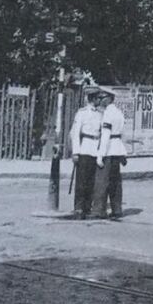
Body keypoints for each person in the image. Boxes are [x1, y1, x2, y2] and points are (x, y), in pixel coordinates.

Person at [92, 86, 127, 219]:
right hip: (117, 150)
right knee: (115, 182)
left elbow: (105, 136)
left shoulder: (108, 114)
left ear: (110, 99)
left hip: (108, 151)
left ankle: (98, 210)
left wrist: (100, 155)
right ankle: (117, 209)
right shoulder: (119, 112)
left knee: (102, 181)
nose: (101, 100)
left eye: (103, 98)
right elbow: (123, 133)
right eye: (100, 98)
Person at [69, 87, 102, 219]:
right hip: (84, 149)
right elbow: (75, 133)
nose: (99, 100)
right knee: (82, 181)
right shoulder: (81, 113)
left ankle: (88, 206)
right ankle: (79, 207)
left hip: (95, 149)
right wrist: (75, 152)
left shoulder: (100, 114)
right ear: (92, 99)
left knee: (92, 181)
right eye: (98, 98)